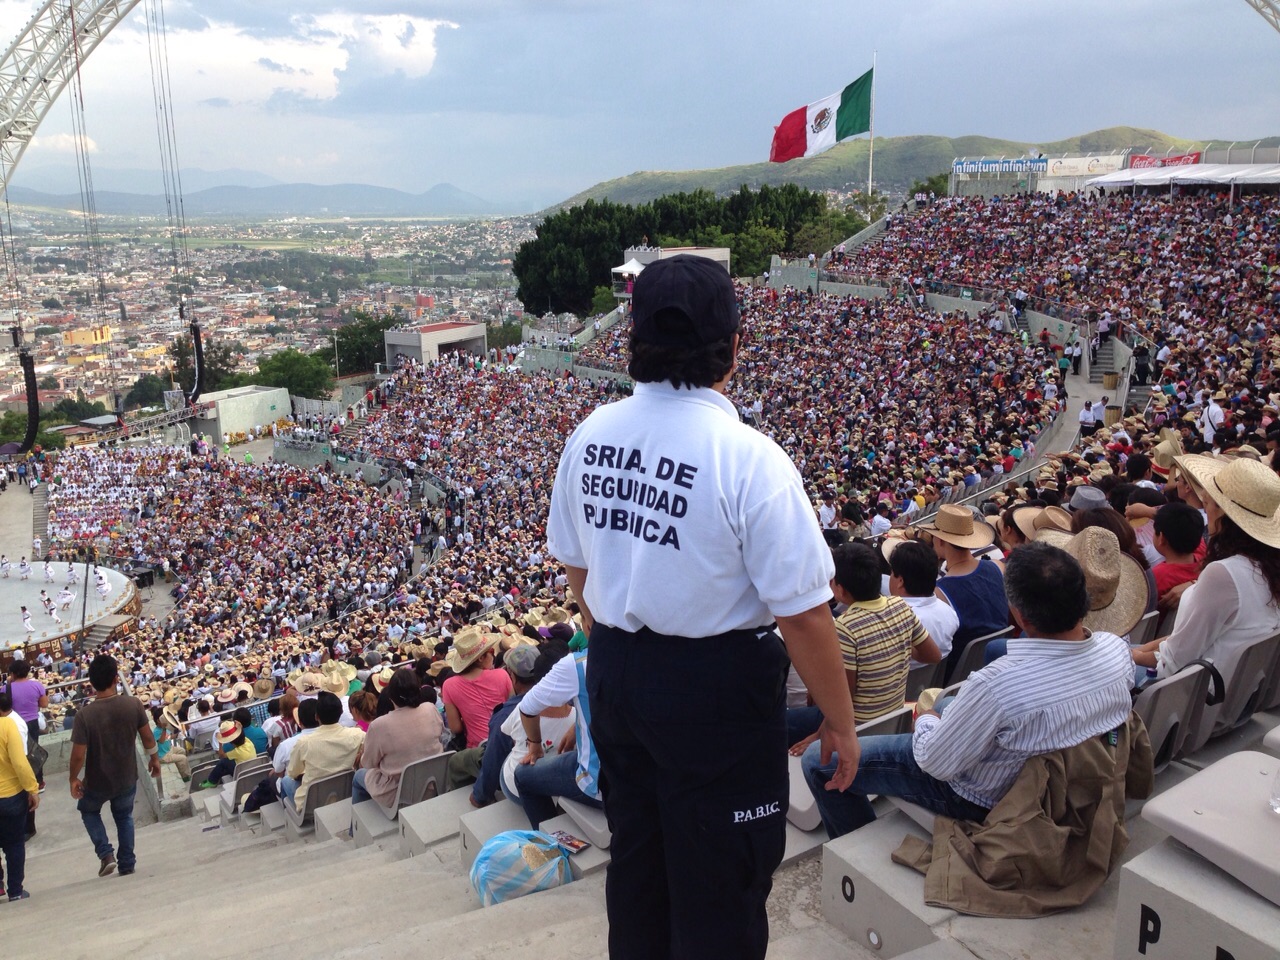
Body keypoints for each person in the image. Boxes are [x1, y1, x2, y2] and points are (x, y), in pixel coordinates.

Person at [546, 255, 859, 960]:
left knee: (640, 864)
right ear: (734, 346)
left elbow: (574, 561)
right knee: (721, 881)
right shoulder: (749, 458)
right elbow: (805, 614)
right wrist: (839, 722)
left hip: (619, 668)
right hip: (715, 687)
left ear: (633, 342)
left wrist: (613, 643)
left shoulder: (591, 432)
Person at [803, 541, 1136, 838]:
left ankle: (854, 846)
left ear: (1019, 615)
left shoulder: (997, 685)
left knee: (817, 761)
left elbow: (935, 763)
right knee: (951, 705)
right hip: (1066, 778)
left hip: (983, 797)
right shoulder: (1117, 649)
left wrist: (926, 719)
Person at [1132, 457, 1280, 723]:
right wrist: (1135, 650)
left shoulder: (1224, 574)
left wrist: (1130, 656)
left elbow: (1175, 660)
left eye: (1209, 504)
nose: (1205, 510)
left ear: (1222, 514)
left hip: (1198, 705)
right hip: (1234, 699)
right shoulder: (1265, 569)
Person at [69, 654, 161, 878]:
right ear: (114, 679)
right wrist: (154, 759)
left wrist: (73, 778)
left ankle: (106, 854)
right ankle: (127, 862)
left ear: (92, 683)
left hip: (97, 779)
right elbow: (148, 738)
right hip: (126, 776)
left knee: (88, 811)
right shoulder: (133, 704)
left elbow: (78, 755)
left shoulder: (84, 715)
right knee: (124, 817)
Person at [918, 505, 1009, 679]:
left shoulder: (940, 593)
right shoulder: (998, 567)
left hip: (960, 676)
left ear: (941, 541)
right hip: (1000, 663)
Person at [350, 667, 443, 817]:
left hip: (400, 795)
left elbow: (367, 764)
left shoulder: (379, 725)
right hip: (434, 784)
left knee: (358, 776)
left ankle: (355, 830)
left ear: (390, 696)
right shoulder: (431, 708)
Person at [283, 691, 363, 811]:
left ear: (316, 717)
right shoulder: (357, 735)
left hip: (311, 805)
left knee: (284, 780)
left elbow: (293, 773)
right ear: (341, 713)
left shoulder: (304, 743)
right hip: (346, 795)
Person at [0, 690, 39, 902]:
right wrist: (32, 789)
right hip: (11, 796)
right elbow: (20, 762)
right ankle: (15, 890)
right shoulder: (7, 725)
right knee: (14, 844)